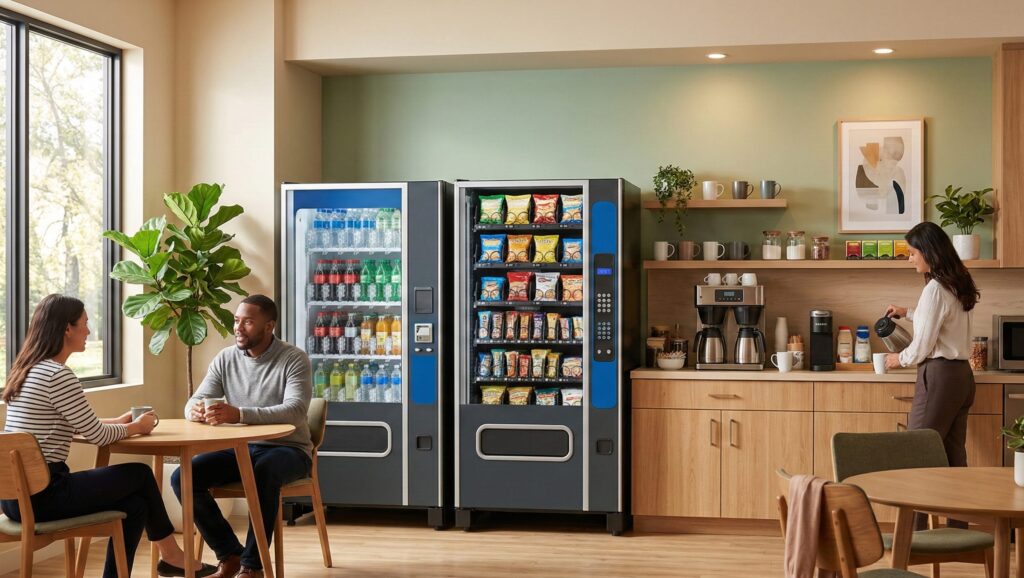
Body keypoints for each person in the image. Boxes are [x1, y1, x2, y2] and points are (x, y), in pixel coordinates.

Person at [1, 294, 215, 578]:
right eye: (85, 323)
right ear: (67, 328)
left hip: (15, 500)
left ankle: (142, 567)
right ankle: (172, 556)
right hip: (45, 496)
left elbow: (73, 424)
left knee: (135, 505)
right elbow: (98, 435)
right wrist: (137, 428)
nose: (89, 331)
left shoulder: (26, 371)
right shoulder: (58, 375)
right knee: (140, 474)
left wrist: (119, 421)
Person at [172, 295, 312, 578]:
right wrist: (195, 411)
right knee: (183, 477)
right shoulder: (225, 358)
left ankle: (253, 566)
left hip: (288, 449)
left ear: (269, 326)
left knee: (264, 471)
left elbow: (295, 410)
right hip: (240, 448)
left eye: (248, 322)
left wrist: (239, 414)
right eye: (237, 320)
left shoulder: (293, 358)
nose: (238, 327)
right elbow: (196, 399)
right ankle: (230, 554)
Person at [884, 222, 978, 528]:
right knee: (953, 455)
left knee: (916, 452)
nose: (910, 258)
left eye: (912, 253)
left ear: (929, 253)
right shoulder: (957, 282)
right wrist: (907, 311)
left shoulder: (935, 288)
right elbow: (940, 320)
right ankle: (959, 529)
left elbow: (923, 344)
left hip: (938, 377)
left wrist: (899, 359)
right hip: (961, 376)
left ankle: (915, 532)